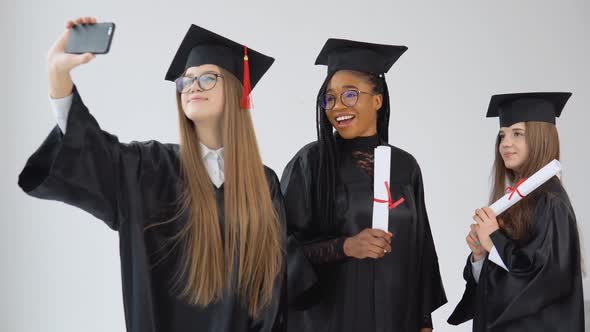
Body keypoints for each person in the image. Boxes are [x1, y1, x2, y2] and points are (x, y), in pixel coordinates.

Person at [18, 17, 285, 332]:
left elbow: (270, 290)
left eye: (208, 78)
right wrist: (58, 75)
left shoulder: (262, 184)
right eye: (186, 80)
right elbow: (90, 152)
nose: (193, 86)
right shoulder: (147, 167)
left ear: (237, 90)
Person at [282, 38, 447, 332]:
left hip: (397, 319)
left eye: (350, 94)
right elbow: (279, 249)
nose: (337, 107)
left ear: (377, 99)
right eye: (329, 98)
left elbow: (421, 254)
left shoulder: (406, 166)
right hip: (332, 320)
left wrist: (424, 323)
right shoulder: (310, 162)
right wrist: (345, 246)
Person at [448, 92, 584, 331]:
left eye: (517, 134)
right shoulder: (517, 200)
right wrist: (480, 257)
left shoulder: (551, 203)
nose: (506, 144)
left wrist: (495, 241)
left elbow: (543, 284)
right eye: (502, 136)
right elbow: (505, 282)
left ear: (541, 138)